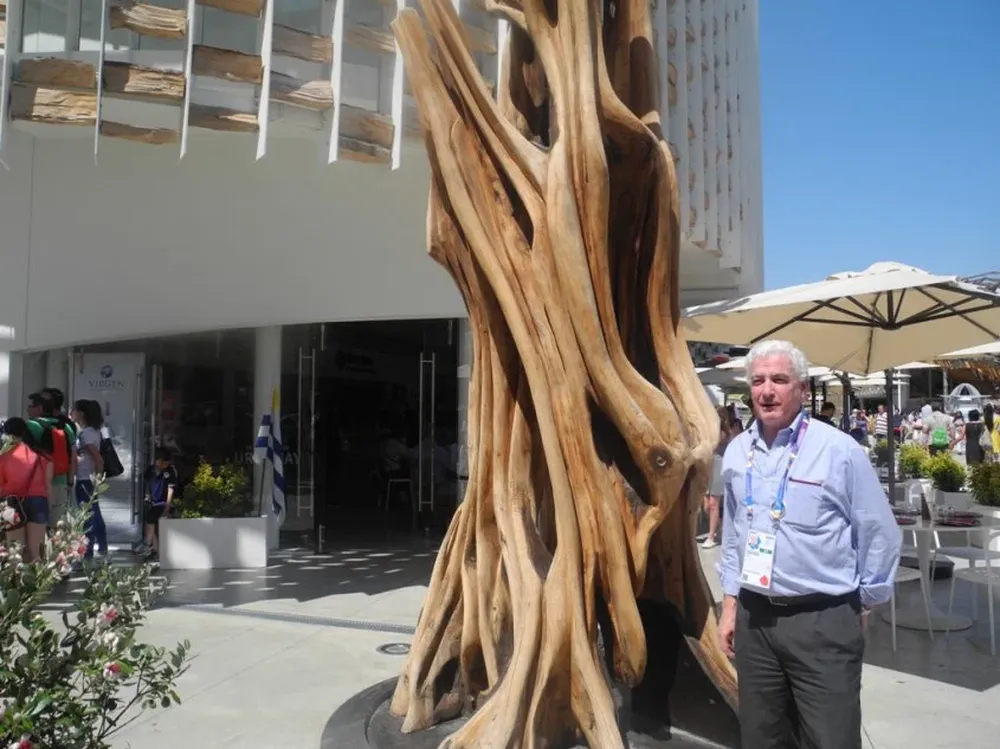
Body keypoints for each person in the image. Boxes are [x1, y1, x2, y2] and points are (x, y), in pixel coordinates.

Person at [718, 339, 901, 749]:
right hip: (755, 619)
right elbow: (734, 535)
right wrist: (730, 604)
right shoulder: (736, 453)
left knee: (829, 737)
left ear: (801, 389)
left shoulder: (839, 450)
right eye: (759, 380)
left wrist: (864, 601)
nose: (767, 390)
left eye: (779, 380)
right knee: (762, 736)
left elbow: (879, 533)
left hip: (822, 619)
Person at [0, 418, 54, 562]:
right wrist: (49, 510)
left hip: (12, 504)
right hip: (38, 502)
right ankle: (36, 583)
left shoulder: (3, 457)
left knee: (15, 552)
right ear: (25, 432)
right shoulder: (43, 457)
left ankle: (17, 583)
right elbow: (48, 486)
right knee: (36, 552)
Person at [71, 399, 107, 562]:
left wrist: (97, 479)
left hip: (86, 479)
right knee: (94, 513)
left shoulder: (87, 434)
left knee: (87, 516)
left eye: (74, 410)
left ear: (82, 413)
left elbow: (98, 459)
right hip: (87, 478)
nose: (72, 413)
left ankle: (89, 550)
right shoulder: (92, 431)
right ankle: (101, 547)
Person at [702, 406, 735, 549]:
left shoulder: (722, 434)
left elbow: (713, 444)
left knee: (713, 503)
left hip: (718, 468)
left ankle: (711, 536)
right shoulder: (709, 431)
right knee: (706, 505)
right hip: (708, 468)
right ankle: (720, 527)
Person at [138, 447, 178, 558]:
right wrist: (147, 497)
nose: (165, 465)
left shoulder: (170, 471)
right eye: (163, 463)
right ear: (157, 461)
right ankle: (155, 549)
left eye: (166, 463)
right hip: (152, 502)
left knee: (150, 520)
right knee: (151, 523)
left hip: (163, 503)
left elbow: (171, 489)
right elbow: (147, 485)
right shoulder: (150, 470)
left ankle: (147, 544)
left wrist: (167, 505)